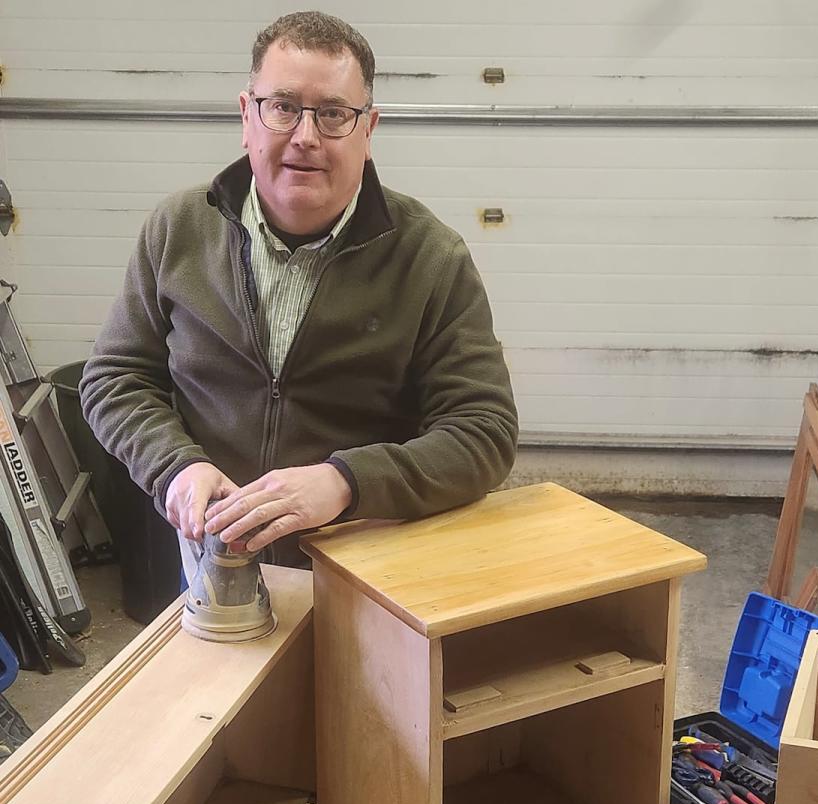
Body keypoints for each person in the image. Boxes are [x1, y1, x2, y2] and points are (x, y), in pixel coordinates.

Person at [79, 11, 518, 571]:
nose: (305, 137)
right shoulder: (179, 230)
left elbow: (484, 430)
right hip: (212, 560)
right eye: (283, 107)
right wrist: (176, 466)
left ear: (368, 130)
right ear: (247, 116)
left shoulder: (431, 258)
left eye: (334, 114)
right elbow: (114, 377)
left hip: (369, 569)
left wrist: (346, 481)